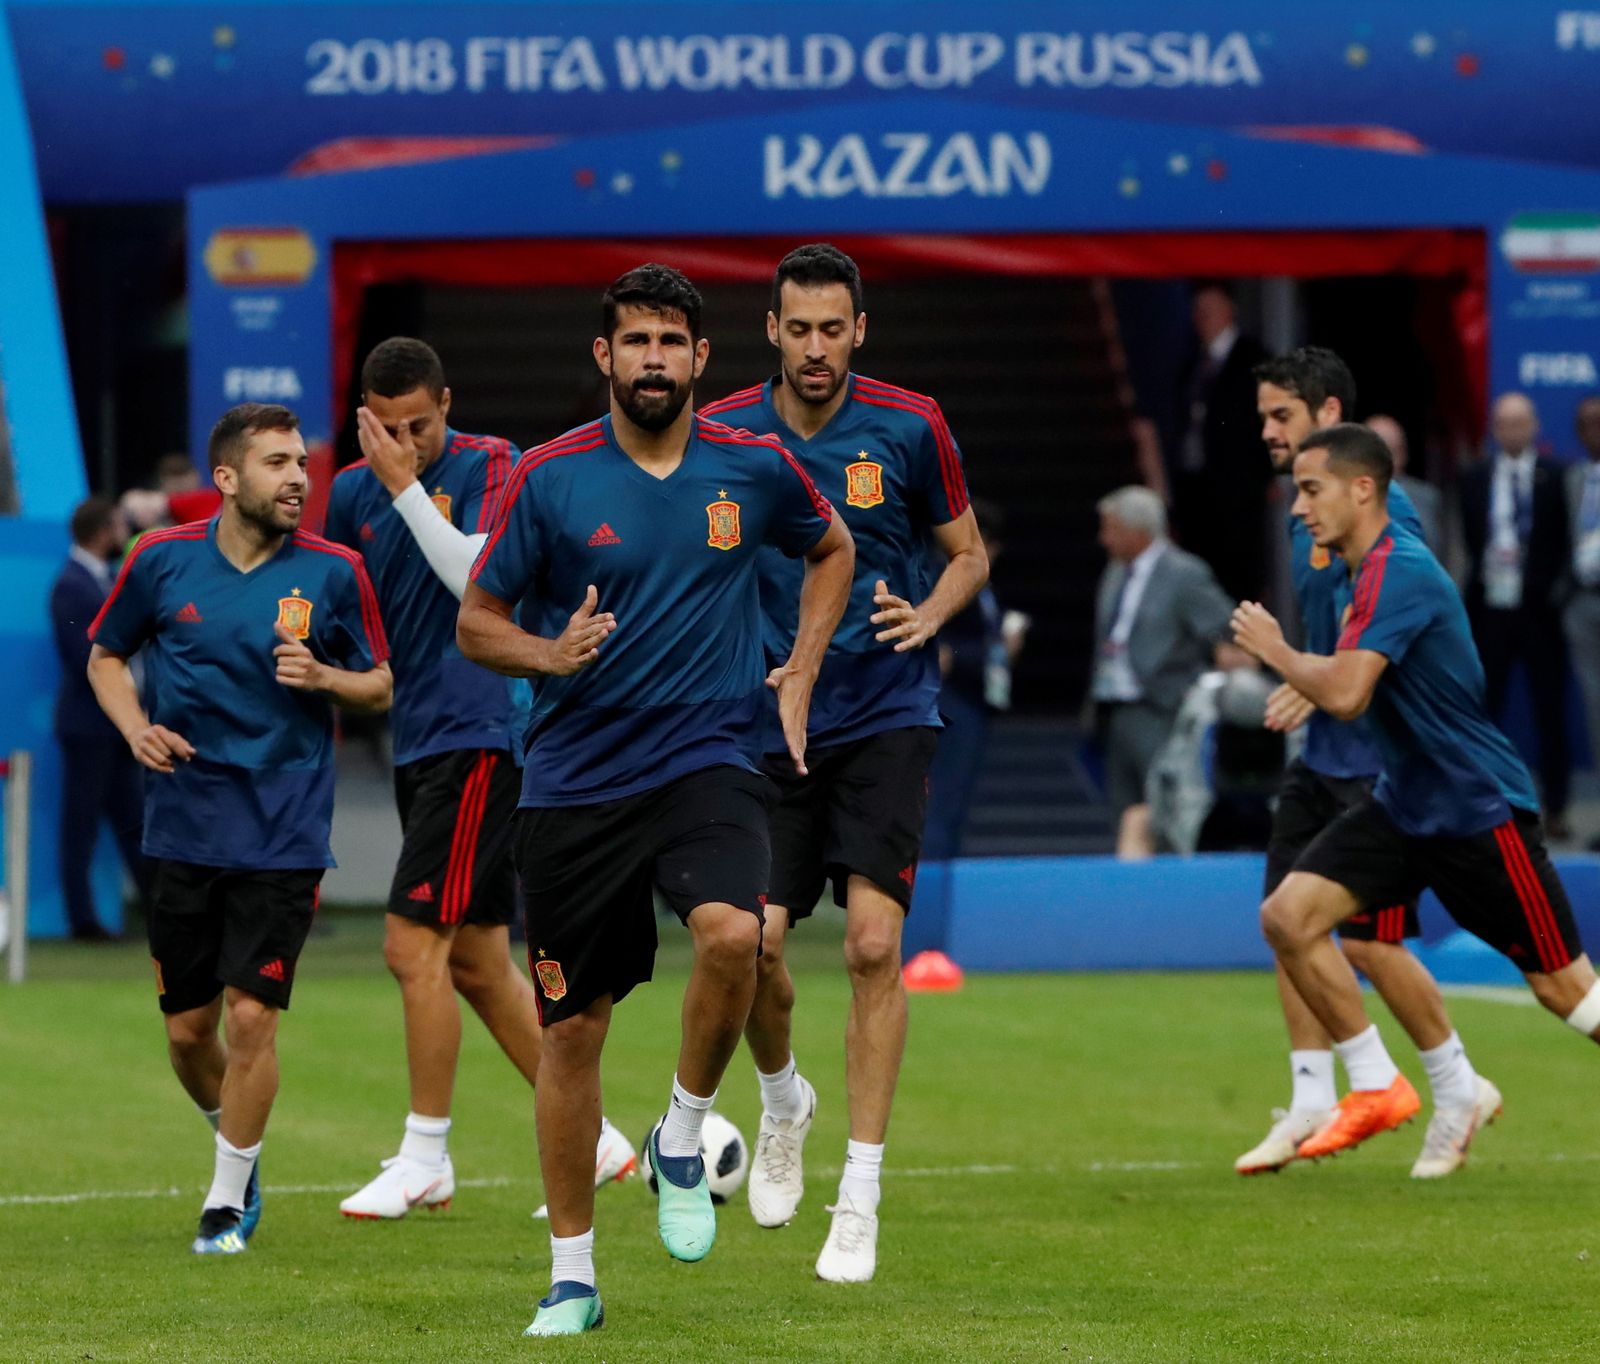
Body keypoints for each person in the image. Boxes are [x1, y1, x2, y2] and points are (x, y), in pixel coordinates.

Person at [457, 264, 853, 1337]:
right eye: (634, 342)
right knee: (572, 1029)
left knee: (736, 937)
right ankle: (573, 1276)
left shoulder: (753, 464)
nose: (652, 360)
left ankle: (682, 1130)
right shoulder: (550, 478)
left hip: (707, 752)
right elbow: (476, 622)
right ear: (604, 357)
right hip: (576, 781)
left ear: (700, 358)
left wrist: (802, 666)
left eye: (670, 343)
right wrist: (549, 651)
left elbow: (832, 548)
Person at [698, 243, 987, 1283]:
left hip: (885, 711)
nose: (815, 347)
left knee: (872, 944)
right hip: (765, 722)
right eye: (798, 328)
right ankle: (784, 1102)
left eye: (834, 328)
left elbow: (967, 551)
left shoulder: (910, 425)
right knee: (754, 946)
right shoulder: (723, 430)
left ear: (858, 331)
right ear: (770, 330)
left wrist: (933, 610)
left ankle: (857, 1194)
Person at [323, 338, 633, 1221]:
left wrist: (404, 486)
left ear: (446, 405)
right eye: (386, 428)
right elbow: (343, 603)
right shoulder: (350, 493)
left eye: (419, 424)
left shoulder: (495, 464)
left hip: (483, 731)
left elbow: (474, 575)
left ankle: (425, 1154)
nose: (406, 441)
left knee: (407, 946)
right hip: (417, 740)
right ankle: (602, 1138)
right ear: (363, 421)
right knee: (476, 960)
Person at [1233, 423, 1599, 1168]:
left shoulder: (1400, 569)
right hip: (1406, 804)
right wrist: (1314, 675)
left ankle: (1420, 1087)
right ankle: (1375, 1083)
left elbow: (1347, 693)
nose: (1298, 508)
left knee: (1569, 992)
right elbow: (1345, 680)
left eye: (1311, 489)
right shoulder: (1363, 570)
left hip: (1476, 808)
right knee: (1290, 917)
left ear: (1362, 488)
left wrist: (1277, 652)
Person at [86, 403, 392, 1256]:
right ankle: (240, 1144)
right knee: (189, 1034)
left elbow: (381, 685)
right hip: (184, 823)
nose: (298, 477)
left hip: (284, 826)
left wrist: (326, 675)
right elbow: (105, 656)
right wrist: (134, 726)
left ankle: (224, 1202)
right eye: (276, 463)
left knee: (253, 1016)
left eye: (301, 462)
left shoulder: (335, 573)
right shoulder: (159, 561)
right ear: (226, 479)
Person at [1240, 349, 1492, 1177]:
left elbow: (1401, 617)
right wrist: (1306, 678)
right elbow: (1336, 624)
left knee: (1369, 944)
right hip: (1325, 757)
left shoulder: (1392, 518)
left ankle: (1456, 1084)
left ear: (1328, 412)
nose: (1267, 429)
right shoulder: (1299, 511)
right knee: (1285, 919)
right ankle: (1314, 1094)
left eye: (1282, 415)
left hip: (1377, 765)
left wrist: (1324, 684)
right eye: (1265, 414)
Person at [1087, 485, 1242, 860]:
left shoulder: (1184, 573)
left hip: (1163, 710)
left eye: (1110, 529)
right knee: (1124, 813)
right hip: (1115, 710)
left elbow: (1227, 626)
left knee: (1165, 812)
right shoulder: (1115, 572)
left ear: (1137, 531)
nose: (1103, 539)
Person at [1460, 393, 1572, 837]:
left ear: (1535, 426)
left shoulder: (1557, 477)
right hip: (1489, 609)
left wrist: (1551, 591)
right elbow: (1467, 540)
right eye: (1504, 423)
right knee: (1484, 711)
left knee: (1550, 711)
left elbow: (1563, 541)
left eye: (1520, 423)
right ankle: (1481, 806)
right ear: (1493, 428)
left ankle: (1557, 808)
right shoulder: (1474, 476)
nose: (1512, 431)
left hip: (1540, 610)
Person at [49, 495, 153, 940]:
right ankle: (82, 921)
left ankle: (162, 914)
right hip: (91, 728)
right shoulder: (71, 586)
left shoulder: (105, 580)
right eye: (115, 526)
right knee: (82, 826)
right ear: (99, 531)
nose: (120, 534)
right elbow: (82, 660)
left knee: (135, 824)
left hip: (119, 727)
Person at [1168, 281, 1271, 603]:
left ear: (1229, 311)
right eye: (1198, 312)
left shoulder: (1255, 360)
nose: (1202, 318)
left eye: (1209, 311)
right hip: (1196, 490)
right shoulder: (1191, 362)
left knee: (1240, 578)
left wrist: (1269, 473)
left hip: (1239, 493)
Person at [1562, 393, 1600, 849]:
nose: (1597, 431)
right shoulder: (1570, 479)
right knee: (1595, 711)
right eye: (1588, 424)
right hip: (1582, 606)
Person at [1365, 414, 1444, 556]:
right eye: (1375, 455)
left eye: (1393, 452)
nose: (1384, 464)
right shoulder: (1344, 498)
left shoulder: (1427, 498)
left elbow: (1441, 554)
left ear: (1404, 454)